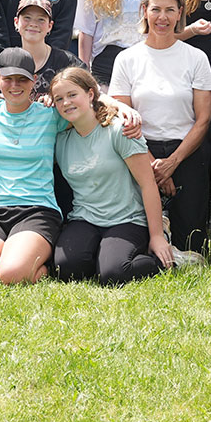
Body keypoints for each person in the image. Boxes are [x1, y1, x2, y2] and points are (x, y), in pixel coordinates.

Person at [110, 0, 211, 253]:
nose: (162, 17)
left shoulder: (196, 57)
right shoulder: (127, 59)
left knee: (192, 241)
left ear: (180, 13)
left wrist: (172, 162)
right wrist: (154, 167)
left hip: (186, 150)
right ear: (144, 10)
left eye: (170, 10)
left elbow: (203, 119)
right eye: (156, 9)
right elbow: (122, 118)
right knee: (139, 242)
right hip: (139, 150)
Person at [0, 47, 70, 284]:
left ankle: (37, 264)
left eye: (22, 79)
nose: (15, 85)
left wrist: (125, 110)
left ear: (34, 81)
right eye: (8, 79)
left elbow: (90, 103)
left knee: (11, 274)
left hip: (37, 209)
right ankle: (11, 253)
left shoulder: (51, 115)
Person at [52, 67, 174, 285]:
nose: (66, 103)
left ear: (90, 95)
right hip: (85, 218)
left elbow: (148, 185)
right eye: (59, 99)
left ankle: (172, 257)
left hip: (127, 218)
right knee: (66, 269)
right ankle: (100, 255)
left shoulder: (120, 131)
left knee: (113, 274)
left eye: (72, 95)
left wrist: (156, 235)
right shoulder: (61, 140)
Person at [0, 0, 77, 94]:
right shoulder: (5, 59)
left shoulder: (67, 62)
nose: (33, 24)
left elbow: (88, 92)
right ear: (16, 22)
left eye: (41, 19)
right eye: (27, 18)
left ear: (50, 26)